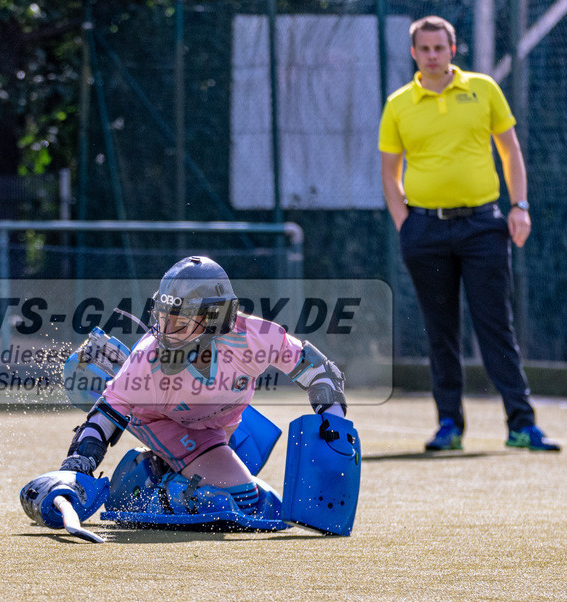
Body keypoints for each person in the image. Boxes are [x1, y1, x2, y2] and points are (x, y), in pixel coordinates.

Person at [378, 16, 559, 452]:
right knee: (441, 332)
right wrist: (408, 225)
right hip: (425, 231)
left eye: (440, 47)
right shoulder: (398, 104)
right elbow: (389, 172)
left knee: (496, 327)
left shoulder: (484, 89)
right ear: (414, 53)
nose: (433, 55)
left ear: (452, 49)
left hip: (484, 227)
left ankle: (521, 425)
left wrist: (520, 207)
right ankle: (449, 427)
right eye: (425, 49)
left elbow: (510, 150)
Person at [49, 255, 348, 518]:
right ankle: (145, 487)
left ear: (215, 318)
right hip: (158, 417)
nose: (165, 333)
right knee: (240, 498)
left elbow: (322, 373)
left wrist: (333, 426)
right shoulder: (148, 356)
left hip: (218, 423)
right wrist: (78, 465)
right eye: (164, 318)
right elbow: (105, 417)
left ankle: (164, 466)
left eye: (178, 322)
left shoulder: (257, 337)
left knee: (255, 490)